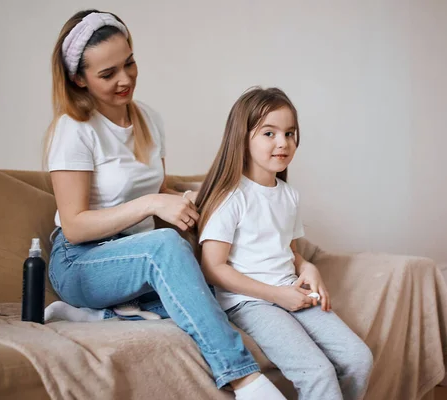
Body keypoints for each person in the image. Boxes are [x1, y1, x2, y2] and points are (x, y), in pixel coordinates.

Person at [42, 10, 285, 399]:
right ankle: (245, 379)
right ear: (78, 79)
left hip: (135, 259)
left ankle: (98, 315)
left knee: (213, 290)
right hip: (79, 261)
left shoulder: (149, 120)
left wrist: (185, 201)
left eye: (129, 63)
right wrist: (152, 204)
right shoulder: (74, 130)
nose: (125, 80)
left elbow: (159, 189)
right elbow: (74, 225)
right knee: (166, 248)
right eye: (108, 74)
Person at [196, 87, 374, 400]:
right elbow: (213, 268)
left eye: (290, 133)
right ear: (242, 137)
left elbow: (289, 252)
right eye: (269, 133)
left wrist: (308, 267)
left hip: (290, 290)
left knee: (359, 359)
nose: (283, 143)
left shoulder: (289, 196)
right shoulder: (231, 197)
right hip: (250, 302)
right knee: (318, 373)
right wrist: (277, 296)